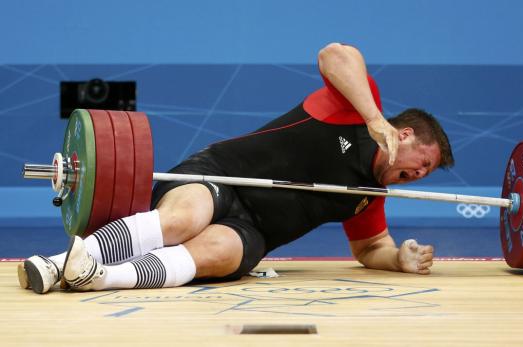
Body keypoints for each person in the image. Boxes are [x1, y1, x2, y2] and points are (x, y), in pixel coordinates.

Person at [18, 43, 454, 294]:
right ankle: (59, 264)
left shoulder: (370, 197)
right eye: (423, 163)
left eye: (425, 176)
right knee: (186, 218)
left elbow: (368, 249)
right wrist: (374, 117)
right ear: (406, 135)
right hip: (220, 176)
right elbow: (334, 54)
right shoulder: (356, 108)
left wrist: (398, 258)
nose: (419, 175)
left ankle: (99, 277)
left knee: (221, 253)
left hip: (252, 233)